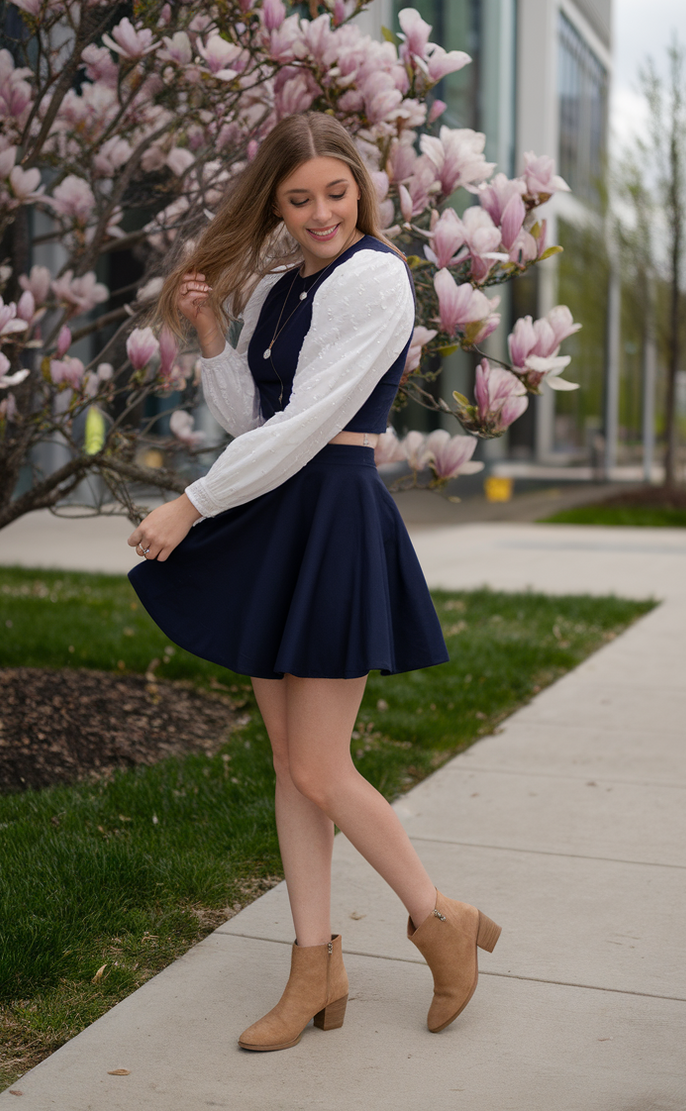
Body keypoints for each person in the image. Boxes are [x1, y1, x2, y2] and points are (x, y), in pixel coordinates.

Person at [127, 112, 500, 1051]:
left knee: (321, 764)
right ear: (278, 205)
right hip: (277, 515)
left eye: (336, 192)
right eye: (300, 200)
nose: (321, 212)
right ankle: (314, 968)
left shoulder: (375, 277)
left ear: (360, 189)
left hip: (329, 516)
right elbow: (254, 419)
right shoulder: (278, 292)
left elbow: (308, 429)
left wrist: (192, 506)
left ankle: (438, 922)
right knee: (292, 768)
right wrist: (213, 329)